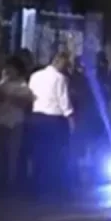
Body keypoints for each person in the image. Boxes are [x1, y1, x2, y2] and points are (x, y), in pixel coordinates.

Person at [28, 52, 74, 198]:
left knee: (38, 154)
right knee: (54, 154)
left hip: (36, 117)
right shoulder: (60, 79)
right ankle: (52, 187)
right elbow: (64, 101)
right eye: (65, 64)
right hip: (54, 120)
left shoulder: (35, 76)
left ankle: (35, 187)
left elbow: (30, 95)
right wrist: (71, 119)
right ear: (58, 62)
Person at [0, 56, 34, 190]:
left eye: (12, 69)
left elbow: (25, 103)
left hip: (16, 122)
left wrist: (10, 98)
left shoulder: (23, 85)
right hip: (2, 121)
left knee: (13, 154)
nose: (9, 71)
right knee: (0, 153)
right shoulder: (2, 83)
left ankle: (11, 182)